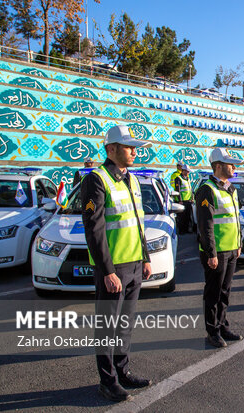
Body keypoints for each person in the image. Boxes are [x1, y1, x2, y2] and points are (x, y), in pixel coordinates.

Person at [81, 125, 153, 402]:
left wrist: (144, 257)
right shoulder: (97, 179)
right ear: (111, 149)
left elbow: (138, 222)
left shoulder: (132, 179)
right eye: (128, 147)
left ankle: (123, 372)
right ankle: (107, 381)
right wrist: (107, 271)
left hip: (134, 264)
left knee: (125, 323)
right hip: (114, 269)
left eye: (135, 147)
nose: (134, 151)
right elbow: (94, 229)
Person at [195, 148, 244, 348]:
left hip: (231, 249)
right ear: (217, 166)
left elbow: (235, 220)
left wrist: (238, 243)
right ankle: (212, 331)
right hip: (217, 252)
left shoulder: (230, 188)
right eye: (229, 164)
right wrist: (211, 253)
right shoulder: (208, 189)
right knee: (213, 293)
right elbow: (205, 225)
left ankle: (223, 325)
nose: (234, 167)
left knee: (225, 291)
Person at [174, 164, 194, 234]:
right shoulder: (178, 178)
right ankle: (181, 231)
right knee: (182, 217)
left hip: (188, 201)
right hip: (182, 201)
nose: (188, 173)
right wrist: (180, 200)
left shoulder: (187, 179)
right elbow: (178, 190)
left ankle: (186, 229)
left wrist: (192, 198)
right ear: (183, 171)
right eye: (187, 171)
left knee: (188, 216)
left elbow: (190, 189)